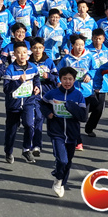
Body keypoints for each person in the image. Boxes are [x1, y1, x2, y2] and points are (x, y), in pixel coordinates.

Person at [39, 67, 87, 198]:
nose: (67, 82)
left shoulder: (78, 95)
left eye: (70, 79)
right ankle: (58, 177)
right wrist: (48, 113)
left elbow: (83, 117)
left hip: (72, 133)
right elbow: (42, 103)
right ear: (60, 79)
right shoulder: (53, 94)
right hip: (56, 131)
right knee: (62, 160)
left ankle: (60, 182)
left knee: (68, 161)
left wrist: (72, 107)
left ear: (74, 80)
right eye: (65, 79)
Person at [2, 42, 41, 164]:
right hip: (13, 104)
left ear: (28, 53)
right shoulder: (10, 69)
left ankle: (26, 149)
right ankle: (8, 151)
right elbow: (6, 89)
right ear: (14, 54)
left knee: (29, 125)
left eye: (24, 52)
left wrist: (37, 87)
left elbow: (36, 79)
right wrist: (18, 82)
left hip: (28, 102)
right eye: (19, 53)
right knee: (12, 130)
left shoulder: (33, 67)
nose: (22, 55)